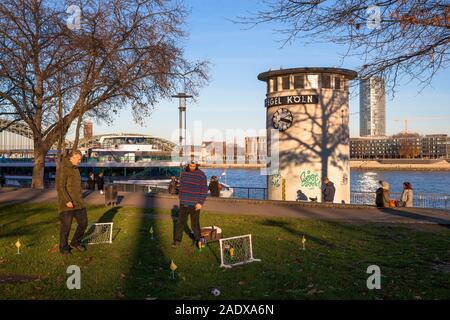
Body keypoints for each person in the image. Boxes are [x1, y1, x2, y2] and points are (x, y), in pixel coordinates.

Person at [56, 150, 88, 255]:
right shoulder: (63, 169)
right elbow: (60, 187)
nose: (79, 161)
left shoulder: (75, 168)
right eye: (78, 159)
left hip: (79, 202)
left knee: (83, 223)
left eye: (80, 159)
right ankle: (64, 248)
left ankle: (75, 242)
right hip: (67, 204)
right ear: (72, 157)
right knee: (66, 227)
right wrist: (67, 200)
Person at [172, 160, 208, 249]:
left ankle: (198, 241)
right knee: (180, 223)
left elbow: (204, 190)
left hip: (195, 204)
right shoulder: (183, 173)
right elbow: (181, 185)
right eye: (191, 165)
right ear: (188, 165)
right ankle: (177, 241)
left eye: (194, 166)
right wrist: (180, 196)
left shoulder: (201, 175)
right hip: (183, 203)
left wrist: (200, 203)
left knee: (195, 224)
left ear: (197, 165)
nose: (192, 167)